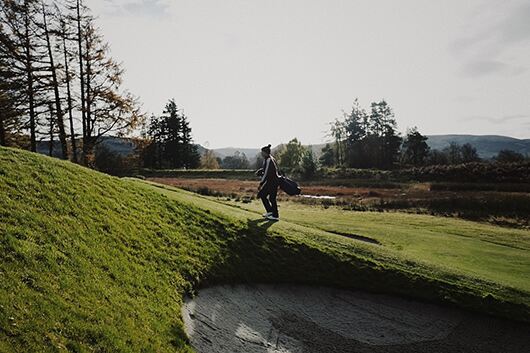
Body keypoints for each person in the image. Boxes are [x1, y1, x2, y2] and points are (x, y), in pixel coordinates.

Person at [256, 144, 280, 221]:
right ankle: (270, 211)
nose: (261, 153)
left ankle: (275, 215)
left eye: (262, 152)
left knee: (271, 198)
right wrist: (261, 171)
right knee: (263, 195)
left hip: (273, 182)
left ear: (265, 152)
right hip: (270, 181)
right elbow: (265, 171)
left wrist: (261, 184)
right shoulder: (267, 159)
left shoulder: (269, 159)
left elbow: (266, 173)